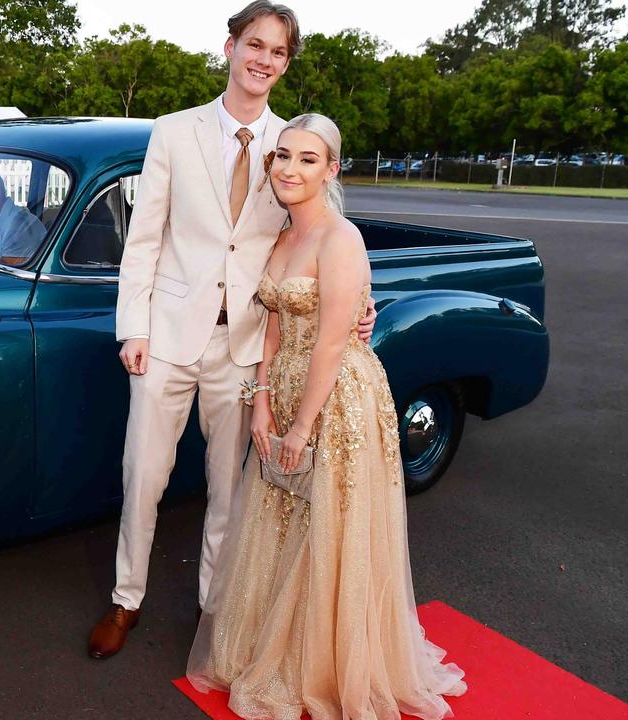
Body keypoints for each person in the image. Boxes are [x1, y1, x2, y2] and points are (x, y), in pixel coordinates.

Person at [88, 1, 376, 660]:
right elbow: (144, 237)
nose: (263, 60)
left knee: (230, 490)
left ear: (283, 64)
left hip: (247, 348)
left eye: (276, 52)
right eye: (254, 45)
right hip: (163, 339)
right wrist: (133, 326)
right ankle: (124, 599)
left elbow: (323, 236)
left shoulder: (291, 145)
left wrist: (361, 302)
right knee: (143, 476)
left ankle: (214, 609)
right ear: (230, 47)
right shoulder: (172, 131)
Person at [185, 113, 467, 719]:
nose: (289, 168)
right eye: (282, 156)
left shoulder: (342, 239)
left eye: (307, 159)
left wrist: (302, 425)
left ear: (332, 169)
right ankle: (275, 647)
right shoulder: (282, 236)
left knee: (329, 532)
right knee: (281, 525)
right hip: (283, 393)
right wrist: (260, 402)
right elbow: (274, 322)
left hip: (335, 402)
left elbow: (334, 342)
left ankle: (328, 663)